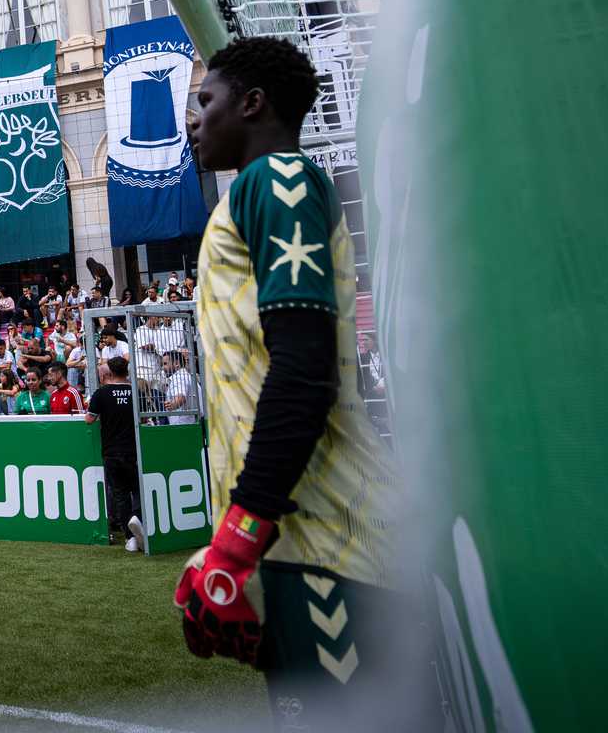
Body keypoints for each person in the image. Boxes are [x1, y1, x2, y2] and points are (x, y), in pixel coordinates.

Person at [175, 36, 406, 728]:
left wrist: (238, 538)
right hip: (295, 538)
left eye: (204, 101)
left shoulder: (279, 181)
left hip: (332, 541)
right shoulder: (252, 195)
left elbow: (303, 372)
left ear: (252, 104)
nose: (193, 119)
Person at [86, 357, 144, 551]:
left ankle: (131, 537)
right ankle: (139, 521)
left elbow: (89, 420)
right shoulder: (135, 391)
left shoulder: (101, 394)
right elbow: (144, 419)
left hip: (111, 450)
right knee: (137, 490)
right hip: (134, 450)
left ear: (109, 372)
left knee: (120, 494)